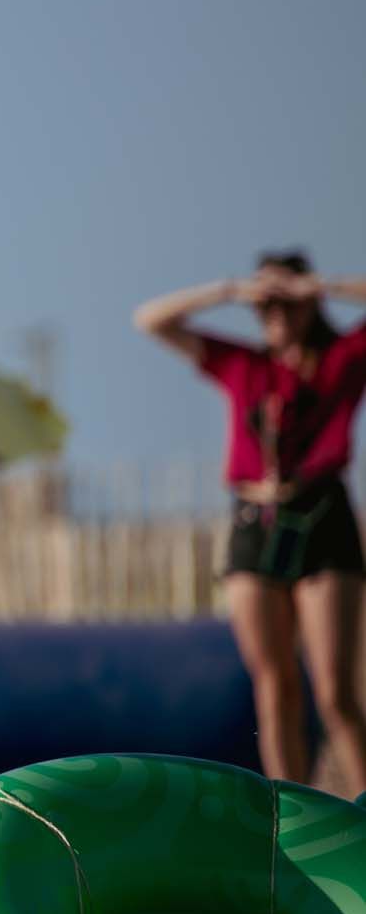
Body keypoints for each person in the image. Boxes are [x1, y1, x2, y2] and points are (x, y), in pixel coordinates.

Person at [135, 250, 366, 790]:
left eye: (288, 304)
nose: (277, 314)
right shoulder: (242, 364)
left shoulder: (341, 360)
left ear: (309, 305)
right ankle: (293, 812)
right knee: (274, 682)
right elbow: (149, 320)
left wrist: (319, 284)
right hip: (253, 519)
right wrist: (229, 290)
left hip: (321, 515)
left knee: (334, 693)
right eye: (267, 306)